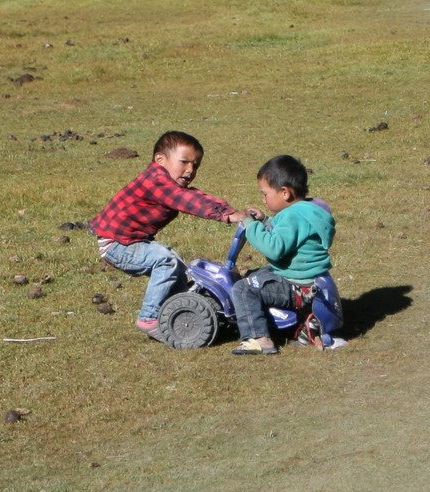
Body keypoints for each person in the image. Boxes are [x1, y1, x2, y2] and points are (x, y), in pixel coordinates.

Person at [89, 131, 248, 340]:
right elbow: (185, 200)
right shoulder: (156, 180)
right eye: (184, 162)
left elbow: (193, 195)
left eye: (195, 165)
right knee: (165, 262)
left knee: (179, 269)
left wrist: (229, 210)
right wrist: (228, 216)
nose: (190, 170)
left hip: (130, 240)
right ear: (160, 159)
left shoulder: (167, 182)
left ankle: (180, 310)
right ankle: (149, 318)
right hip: (117, 244)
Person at [231, 155, 335, 355]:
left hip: (297, 288)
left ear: (285, 192)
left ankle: (260, 338)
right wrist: (265, 220)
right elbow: (290, 234)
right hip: (308, 283)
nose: (263, 199)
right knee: (256, 275)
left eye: (265, 194)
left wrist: (252, 226)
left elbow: (274, 248)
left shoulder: (292, 215)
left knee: (244, 289)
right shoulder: (306, 211)